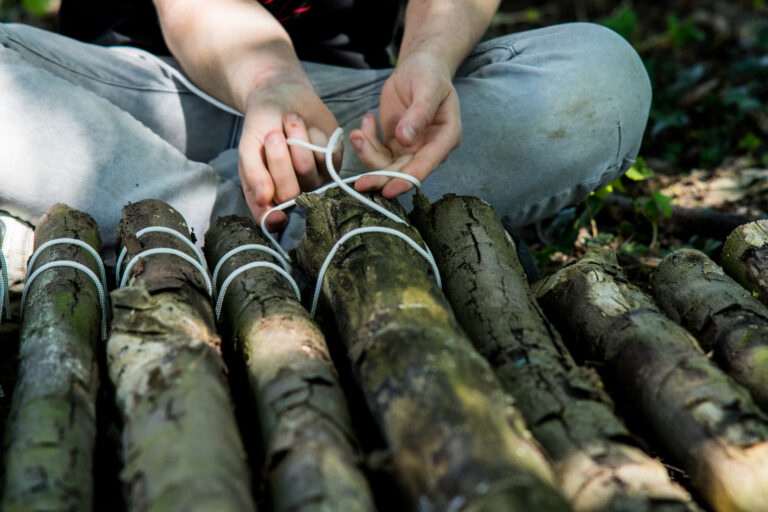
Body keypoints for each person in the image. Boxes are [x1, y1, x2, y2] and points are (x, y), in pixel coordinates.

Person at [0, 0, 651, 286]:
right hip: (129, 97)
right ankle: (252, 218)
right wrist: (269, 82)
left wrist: (428, 61)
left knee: (603, 74)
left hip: (345, 122)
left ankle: (131, 221)